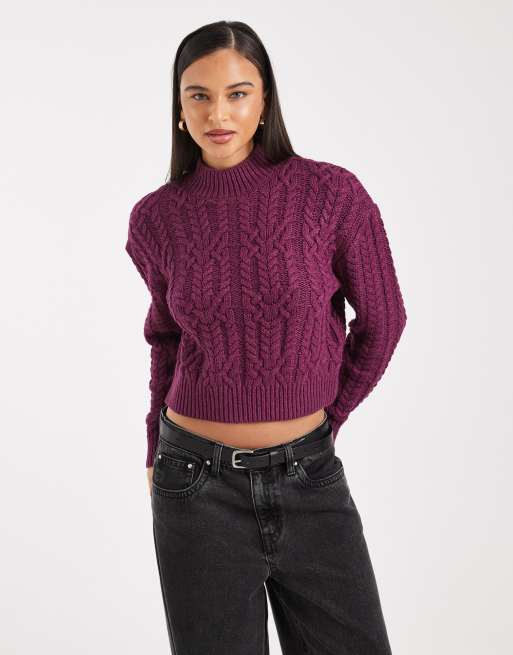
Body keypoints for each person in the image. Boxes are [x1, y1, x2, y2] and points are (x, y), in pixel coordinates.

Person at [125, 19, 407, 655]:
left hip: (310, 476)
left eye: (237, 93)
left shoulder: (331, 195)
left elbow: (384, 318)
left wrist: (328, 418)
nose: (217, 113)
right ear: (178, 108)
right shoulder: (156, 218)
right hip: (193, 483)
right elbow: (166, 340)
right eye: (198, 95)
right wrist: (152, 450)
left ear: (265, 101)